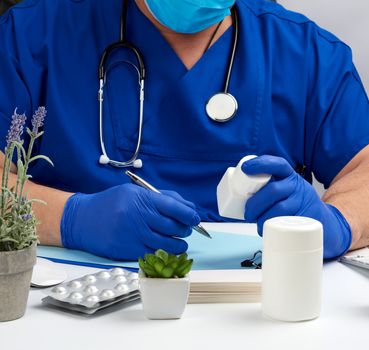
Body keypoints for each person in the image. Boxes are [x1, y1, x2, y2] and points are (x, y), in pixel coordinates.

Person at [0, 0, 368, 261]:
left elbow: (362, 170)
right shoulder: (33, 35)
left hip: (258, 311)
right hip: (73, 309)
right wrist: (72, 219)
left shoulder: (306, 52)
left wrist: (337, 224)